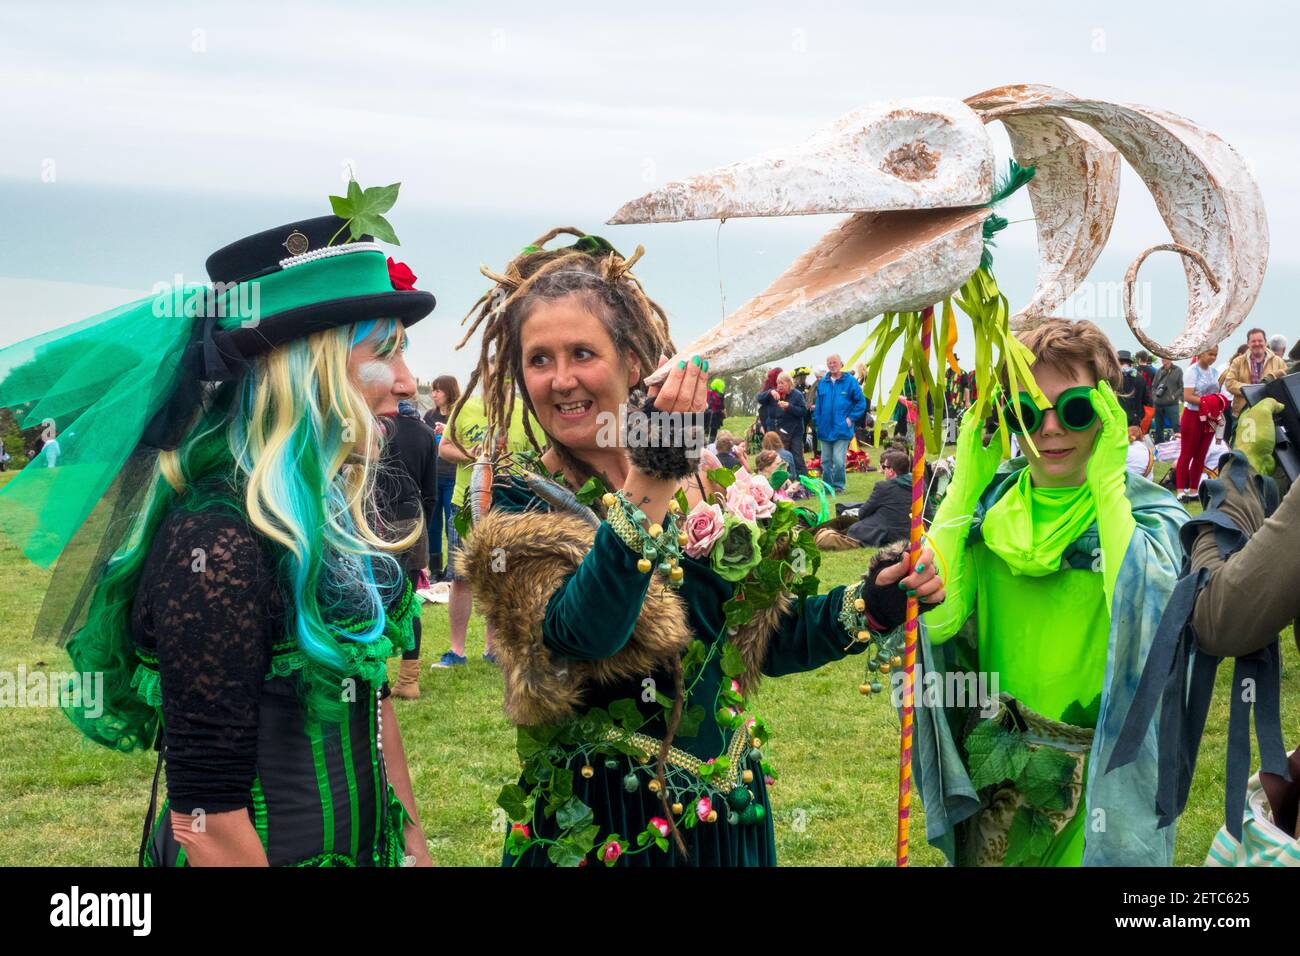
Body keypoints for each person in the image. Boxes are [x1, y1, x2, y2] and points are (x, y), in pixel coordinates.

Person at [453, 227, 943, 867]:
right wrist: (652, 474)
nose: (562, 379)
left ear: (633, 361)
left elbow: (763, 639)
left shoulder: (703, 485)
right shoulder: (518, 504)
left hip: (728, 823)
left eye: (582, 353)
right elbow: (583, 635)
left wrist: (874, 601)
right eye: (539, 359)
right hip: (605, 831)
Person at [0, 213, 435, 866]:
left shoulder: (329, 517)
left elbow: (373, 714)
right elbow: (207, 825)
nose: (407, 380)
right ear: (303, 367)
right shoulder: (216, 547)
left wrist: (413, 848)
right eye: (384, 350)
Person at [920, 318, 1186, 866]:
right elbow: (938, 622)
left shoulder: (1147, 518)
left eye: (1075, 409)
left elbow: (1145, 620)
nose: (1049, 429)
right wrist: (967, 482)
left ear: (1108, 413)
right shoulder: (987, 515)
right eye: (1025, 410)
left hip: (1102, 778)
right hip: (997, 769)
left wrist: (1109, 483)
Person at [433, 392, 529, 667]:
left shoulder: (525, 410)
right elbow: (444, 448)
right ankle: (456, 651)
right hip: (465, 507)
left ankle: (494, 648)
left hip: (505, 508)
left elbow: (544, 453)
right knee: (461, 578)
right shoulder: (465, 407)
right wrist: (469, 454)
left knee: (498, 575)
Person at [378, 399, 440, 699]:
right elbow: (431, 492)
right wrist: (420, 525)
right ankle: (408, 680)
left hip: (373, 520)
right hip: (412, 520)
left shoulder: (375, 427)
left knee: (373, 602)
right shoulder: (426, 432)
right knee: (408, 601)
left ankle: (378, 680)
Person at [422, 374, 461, 582]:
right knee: (433, 525)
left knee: (452, 525)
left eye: (438, 390)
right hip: (434, 478)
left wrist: (448, 433)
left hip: (454, 478)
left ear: (449, 392)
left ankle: (452, 571)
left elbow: (467, 443)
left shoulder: (459, 415)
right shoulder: (428, 415)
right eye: (433, 390)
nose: (433, 394)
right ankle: (435, 570)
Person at [813, 353, 866, 495]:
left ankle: (838, 486)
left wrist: (850, 419)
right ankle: (827, 486)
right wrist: (817, 420)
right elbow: (818, 404)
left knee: (838, 460)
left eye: (834, 362)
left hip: (842, 429)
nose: (832, 365)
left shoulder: (850, 381)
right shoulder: (823, 383)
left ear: (841, 363)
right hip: (825, 428)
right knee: (825, 461)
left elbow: (861, 402)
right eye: (829, 363)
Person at [1175, 346, 1223, 502]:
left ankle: (1194, 490)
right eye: (1210, 354)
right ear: (1201, 353)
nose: (1213, 358)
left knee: (1201, 455)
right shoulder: (1192, 371)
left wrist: (1215, 403)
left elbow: (1216, 394)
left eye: (1215, 355)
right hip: (1192, 415)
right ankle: (1181, 490)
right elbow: (1187, 396)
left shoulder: (1215, 372)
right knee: (1187, 453)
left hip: (1209, 417)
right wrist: (1208, 402)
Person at [842, 448, 912, 547]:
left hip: (891, 535)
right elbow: (928, 513)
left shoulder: (883, 487)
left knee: (854, 528)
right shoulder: (920, 484)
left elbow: (863, 513)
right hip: (914, 533)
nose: (883, 469)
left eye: (884, 467)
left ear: (891, 471)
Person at [1224, 328, 1288, 420]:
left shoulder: (1278, 361)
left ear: (1266, 342)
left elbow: (1285, 383)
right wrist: (1251, 390)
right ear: (1248, 343)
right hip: (1242, 413)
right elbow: (1229, 383)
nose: (1257, 344)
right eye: (1253, 341)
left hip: (1269, 414)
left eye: (1260, 341)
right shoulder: (1238, 361)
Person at [771, 371, 807, 475]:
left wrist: (789, 407)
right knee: (784, 456)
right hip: (782, 431)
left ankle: (803, 480)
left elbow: (803, 411)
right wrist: (771, 392)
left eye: (782, 383)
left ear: (789, 383)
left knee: (797, 456)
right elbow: (761, 398)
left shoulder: (797, 395)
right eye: (778, 383)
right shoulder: (778, 396)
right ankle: (789, 479)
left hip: (795, 431)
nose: (780, 386)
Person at [1115, 350, 1154, 432]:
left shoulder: (1113, 378)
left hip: (1117, 420)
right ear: (1129, 363)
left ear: (1117, 362)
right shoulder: (1140, 378)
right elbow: (1147, 401)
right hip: (1135, 420)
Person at [1151, 354, 1184, 445]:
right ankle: (1159, 446)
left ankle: (1179, 444)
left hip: (1172, 404)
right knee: (1158, 427)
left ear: (1170, 359)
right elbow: (1154, 386)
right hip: (1158, 403)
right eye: (1162, 358)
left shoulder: (1178, 370)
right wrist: (1154, 397)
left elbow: (1182, 387)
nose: (1163, 360)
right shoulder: (1159, 371)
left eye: (1165, 358)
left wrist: (1174, 396)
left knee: (1176, 425)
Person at [755, 368, 783, 436]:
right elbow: (759, 397)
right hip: (768, 423)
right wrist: (770, 392)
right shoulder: (769, 388)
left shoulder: (783, 388)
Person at [705, 377, 726, 444]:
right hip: (716, 414)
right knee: (713, 431)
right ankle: (710, 444)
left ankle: (704, 442)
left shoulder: (708, 392)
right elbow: (722, 406)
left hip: (707, 413)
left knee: (706, 429)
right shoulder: (720, 395)